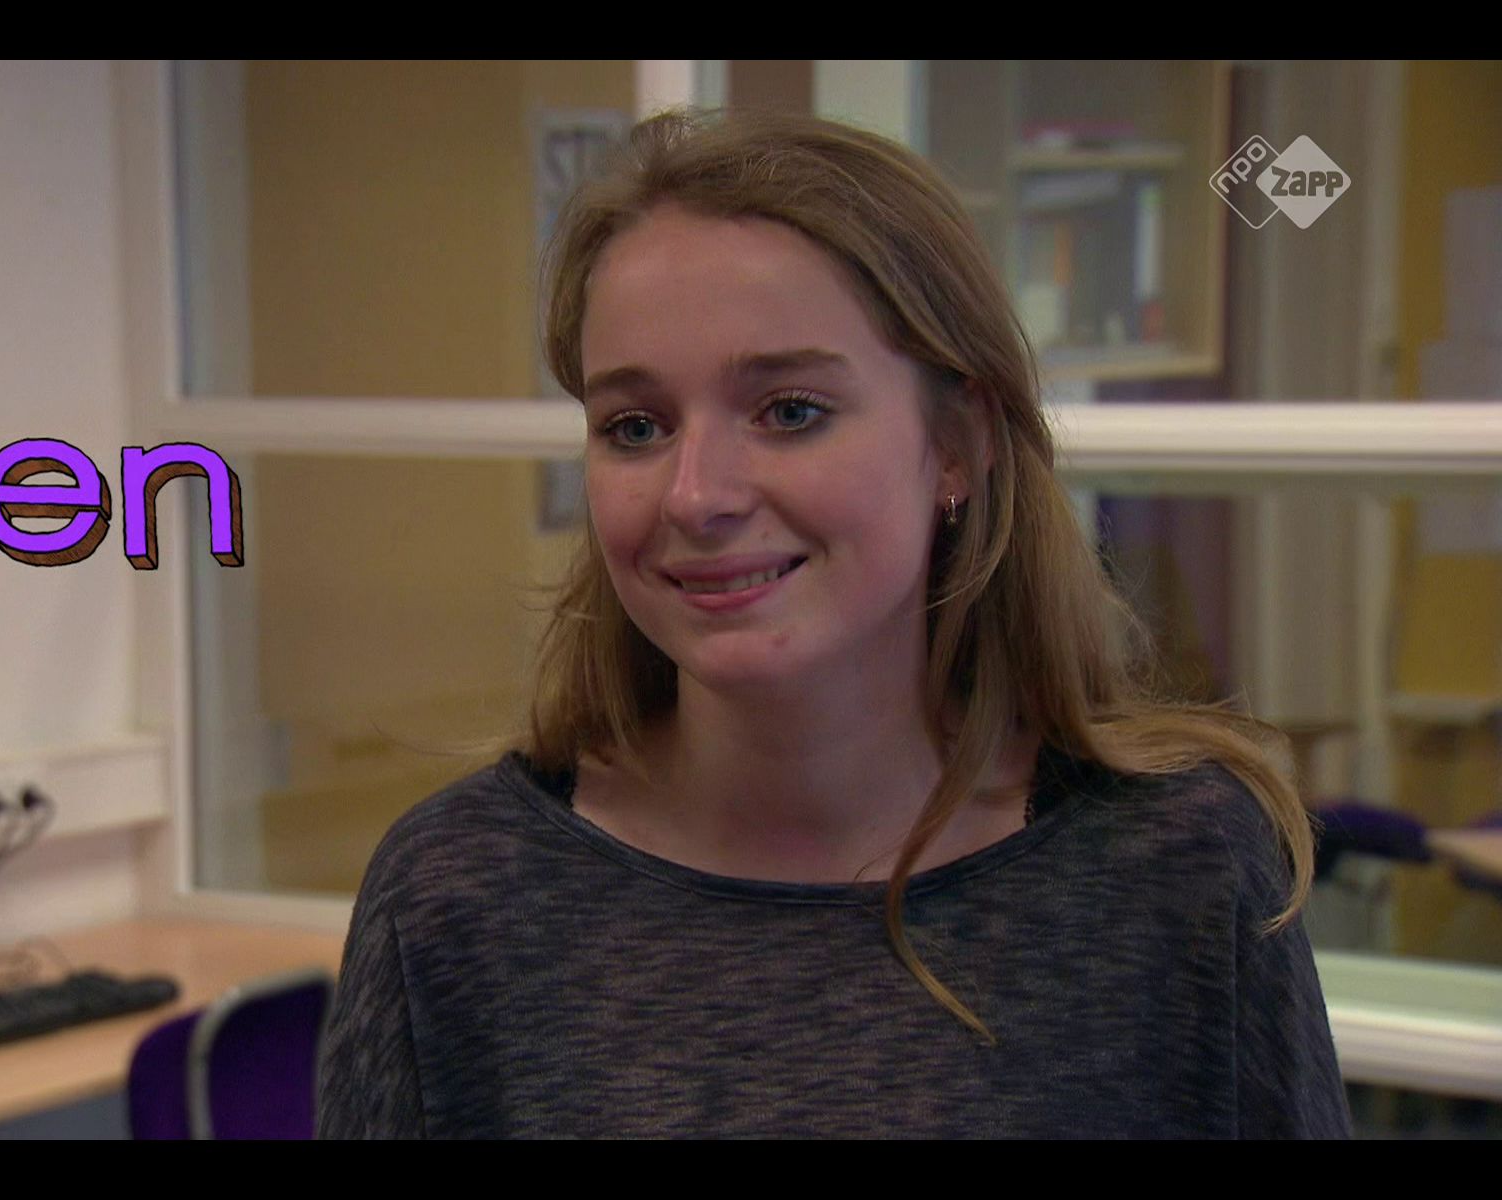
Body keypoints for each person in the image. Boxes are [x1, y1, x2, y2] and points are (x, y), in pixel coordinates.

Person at [313, 107, 1353, 1139]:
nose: (696, 496)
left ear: (959, 444)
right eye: (635, 427)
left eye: (790, 411)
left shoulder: (1178, 871)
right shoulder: (460, 896)